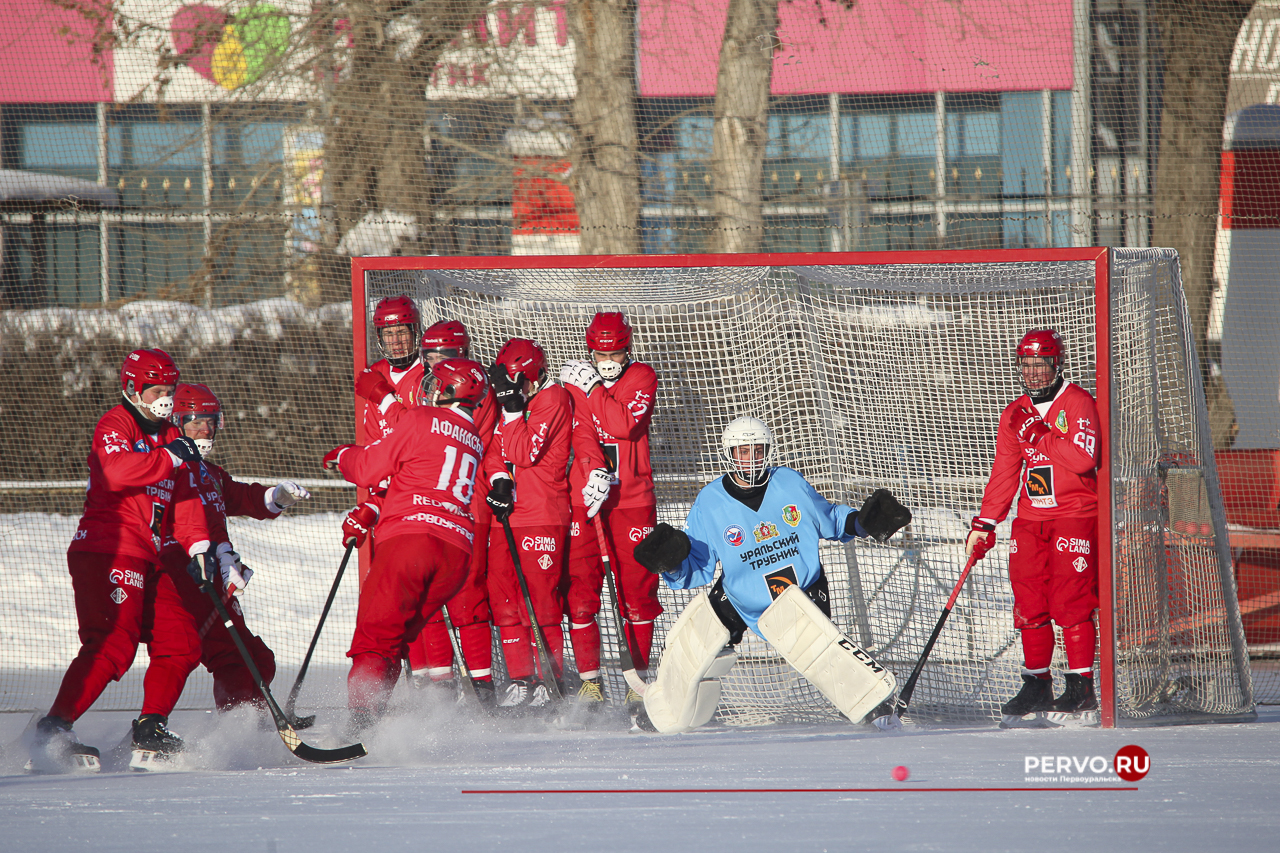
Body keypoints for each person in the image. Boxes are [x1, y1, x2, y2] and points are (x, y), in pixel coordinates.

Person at [632, 416, 910, 733]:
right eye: (742, 451)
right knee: (696, 641)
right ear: (729, 454)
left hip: (800, 592)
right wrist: (672, 563)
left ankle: (875, 707)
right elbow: (699, 567)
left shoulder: (789, 482)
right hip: (742, 597)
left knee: (820, 651)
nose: (750, 458)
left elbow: (829, 519)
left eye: (757, 449)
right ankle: (663, 709)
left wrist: (862, 522)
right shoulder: (709, 502)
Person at [30, 349, 211, 773]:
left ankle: (150, 728)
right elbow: (114, 472)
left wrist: (200, 546)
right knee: (112, 643)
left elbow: (185, 499)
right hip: (107, 547)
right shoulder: (117, 423)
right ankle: (55, 727)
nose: (165, 400)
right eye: (157, 391)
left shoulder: (171, 436)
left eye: (170, 390)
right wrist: (169, 457)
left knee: (181, 642)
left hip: (151, 555)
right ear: (133, 389)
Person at [134, 383, 310, 765]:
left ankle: (239, 730)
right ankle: (148, 730)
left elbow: (241, 497)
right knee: (178, 652)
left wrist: (275, 496)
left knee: (251, 658)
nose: (205, 431)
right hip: (176, 575)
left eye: (211, 422)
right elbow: (166, 519)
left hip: (208, 578)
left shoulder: (209, 472)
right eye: (196, 422)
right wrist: (213, 553)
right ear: (177, 422)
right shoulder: (165, 465)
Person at [323, 358, 488, 731]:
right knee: (394, 640)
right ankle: (374, 720)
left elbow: (367, 469)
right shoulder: (474, 437)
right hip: (456, 552)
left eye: (435, 384)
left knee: (374, 636)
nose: (427, 389)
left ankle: (360, 723)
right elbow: (420, 473)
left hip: (412, 540)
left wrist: (343, 456)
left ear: (447, 391)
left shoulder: (421, 420)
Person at [965, 329, 1101, 725]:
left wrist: (1039, 435)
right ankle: (1037, 682)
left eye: (1041, 363)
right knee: (1028, 600)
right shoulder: (1015, 412)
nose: (1034, 372)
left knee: (1070, 599)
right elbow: (1004, 473)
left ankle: (1080, 687)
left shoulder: (1078, 403)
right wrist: (985, 523)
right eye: (1026, 364)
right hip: (1031, 519)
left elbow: (1081, 460)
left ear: (1056, 363)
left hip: (1075, 513)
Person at [558, 312, 661, 714]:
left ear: (627, 348)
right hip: (589, 497)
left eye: (615, 351)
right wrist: (592, 471)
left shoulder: (641, 378)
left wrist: (595, 388)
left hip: (632, 501)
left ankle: (636, 680)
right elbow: (581, 430)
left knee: (636, 593)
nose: (607, 359)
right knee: (581, 591)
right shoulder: (576, 383)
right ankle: (590, 681)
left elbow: (623, 424)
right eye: (600, 352)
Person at [401, 320, 500, 705]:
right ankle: (440, 686)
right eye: (430, 355)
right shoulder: (423, 388)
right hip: (426, 503)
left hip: (467, 500)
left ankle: (483, 687)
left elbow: (469, 439)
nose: (437, 362)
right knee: (426, 593)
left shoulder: (476, 389)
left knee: (468, 594)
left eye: (445, 354)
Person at [482, 338, 574, 712]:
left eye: (521, 383)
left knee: (541, 602)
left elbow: (522, 450)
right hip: (508, 515)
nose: (516, 391)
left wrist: (512, 410)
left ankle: (547, 678)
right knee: (503, 598)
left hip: (541, 514)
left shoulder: (553, 399)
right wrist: (499, 480)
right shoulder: (513, 406)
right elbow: (492, 448)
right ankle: (519, 677)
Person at [354, 294, 423, 444]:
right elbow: (372, 439)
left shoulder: (428, 374)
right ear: (380, 337)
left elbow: (418, 436)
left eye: (401, 332)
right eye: (388, 334)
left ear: (414, 332)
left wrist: (385, 398)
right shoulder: (376, 373)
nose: (395, 342)